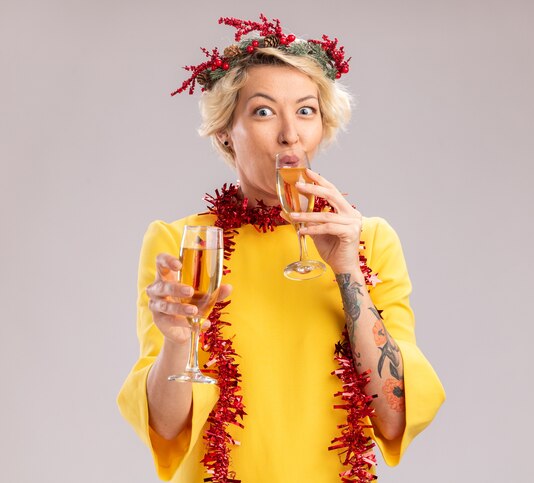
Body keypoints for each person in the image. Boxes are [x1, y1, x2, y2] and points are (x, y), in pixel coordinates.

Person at [118, 14, 445, 483]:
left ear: (322, 127)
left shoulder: (368, 239)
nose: (290, 133)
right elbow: (167, 426)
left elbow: (394, 417)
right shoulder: (185, 243)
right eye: (264, 111)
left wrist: (348, 268)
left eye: (306, 111)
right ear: (226, 131)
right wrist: (176, 342)